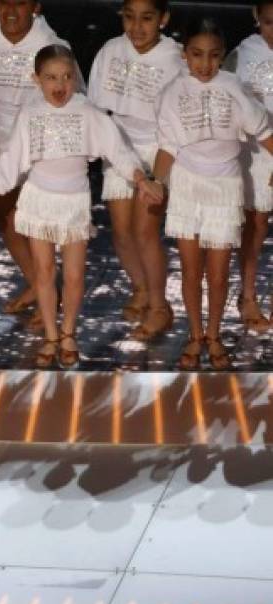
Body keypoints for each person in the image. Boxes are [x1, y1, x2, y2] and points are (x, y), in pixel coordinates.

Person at [0, 45, 161, 367]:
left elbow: (119, 150)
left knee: (74, 275)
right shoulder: (30, 115)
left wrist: (141, 180)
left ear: (75, 78)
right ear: (36, 79)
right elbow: (10, 161)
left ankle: (69, 331)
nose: (59, 86)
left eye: (66, 77)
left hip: (74, 201)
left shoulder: (87, 112)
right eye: (50, 78)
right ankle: (50, 334)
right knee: (44, 273)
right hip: (38, 200)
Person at [142, 18, 273, 369]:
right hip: (187, 186)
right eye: (197, 55)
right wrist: (156, 180)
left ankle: (214, 336)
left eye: (214, 56)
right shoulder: (173, 92)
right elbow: (168, 145)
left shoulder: (233, 87)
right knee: (190, 271)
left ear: (222, 56)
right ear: (185, 55)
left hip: (225, 187)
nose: (205, 64)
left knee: (217, 274)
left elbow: (263, 131)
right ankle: (194, 335)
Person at [0, 0, 73, 326]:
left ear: (36, 6)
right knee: (4, 214)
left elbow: (71, 97)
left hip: (42, 137)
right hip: (1, 136)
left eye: (20, 3)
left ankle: (51, 298)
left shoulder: (52, 46)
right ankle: (39, 284)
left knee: (40, 219)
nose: (11, 11)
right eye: (4, 2)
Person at [88, 0, 182, 340]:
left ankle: (160, 307)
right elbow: (97, 108)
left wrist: (159, 172)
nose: (137, 27)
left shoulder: (175, 59)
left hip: (158, 150)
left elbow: (177, 121)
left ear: (163, 19)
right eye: (129, 17)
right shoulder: (111, 50)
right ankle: (140, 287)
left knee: (145, 232)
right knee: (122, 231)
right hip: (119, 146)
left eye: (146, 19)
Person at [227, 0, 273, 333]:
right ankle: (248, 294)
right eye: (270, 22)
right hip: (256, 152)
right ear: (257, 18)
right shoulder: (241, 55)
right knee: (254, 227)